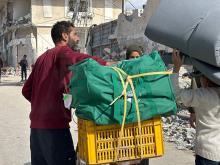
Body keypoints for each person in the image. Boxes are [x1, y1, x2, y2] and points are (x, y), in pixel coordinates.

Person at [22, 21, 113, 165]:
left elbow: (26, 90)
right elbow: (79, 59)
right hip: (55, 130)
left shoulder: (41, 59)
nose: (77, 39)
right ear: (65, 36)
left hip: (36, 131)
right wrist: (106, 64)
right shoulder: (63, 52)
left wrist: (43, 103)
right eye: (75, 34)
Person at [172, 49, 220, 165]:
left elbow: (176, 94)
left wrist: (176, 68)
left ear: (205, 79)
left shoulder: (203, 95)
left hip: (207, 153)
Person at [126, 44, 149, 165]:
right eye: (132, 57)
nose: (134, 60)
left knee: (142, 154)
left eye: (137, 57)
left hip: (142, 120)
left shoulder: (145, 75)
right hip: (127, 121)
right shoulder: (122, 74)